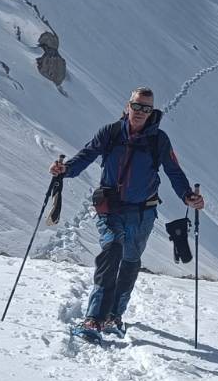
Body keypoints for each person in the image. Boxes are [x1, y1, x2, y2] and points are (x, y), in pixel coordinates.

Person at [51, 87, 204, 339]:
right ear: (127, 106)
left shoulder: (159, 140)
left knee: (131, 262)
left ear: (152, 112)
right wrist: (64, 170)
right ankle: (94, 319)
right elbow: (86, 156)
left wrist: (188, 196)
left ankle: (114, 316)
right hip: (110, 209)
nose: (141, 112)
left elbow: (173, 171)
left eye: (147, 108)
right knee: (112, 251)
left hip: (144, 214)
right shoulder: (110, 133)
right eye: (137, 106)